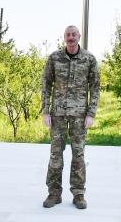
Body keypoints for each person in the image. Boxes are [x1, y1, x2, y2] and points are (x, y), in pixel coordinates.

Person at [41, 25, 100, 210]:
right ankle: (54, 193)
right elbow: (46, 84)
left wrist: (91, 114)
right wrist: (45, 111)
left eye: (74, 34)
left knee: (79, 155)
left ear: (79, 37)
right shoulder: (54, 58)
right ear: (64, 37)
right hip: (57, 115)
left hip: (79, 116)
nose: (71, 37)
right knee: (55, 155)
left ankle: (78, 194)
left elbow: (95, 87)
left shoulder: (89, 59)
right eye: (68, 35)